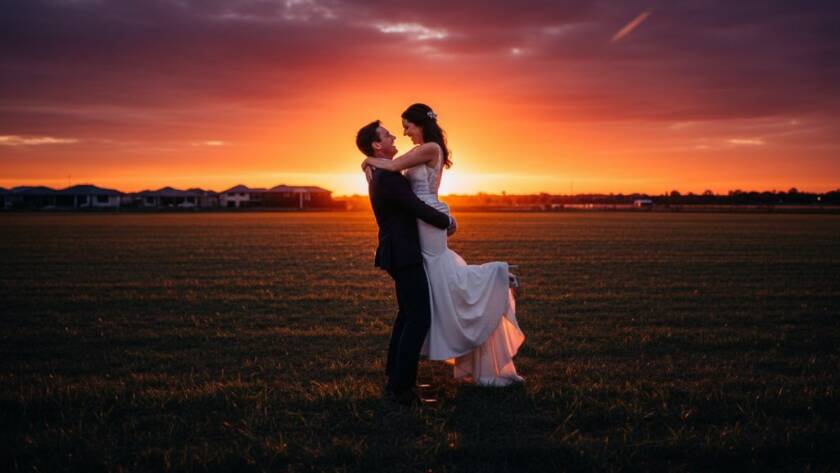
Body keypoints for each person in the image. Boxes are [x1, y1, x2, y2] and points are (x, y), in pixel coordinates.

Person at [362, 103, 524, 386]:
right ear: (377, 144)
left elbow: (393, 166)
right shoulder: (404, 162)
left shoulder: (429, 148)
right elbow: (394, 171)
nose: (402, 133)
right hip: (423, 225)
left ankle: (496, 277)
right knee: (436, 282)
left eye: (407, 126)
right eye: (394, 131)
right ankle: (399, 381)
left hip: (428, 221)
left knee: (441, 274)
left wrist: (367, 161)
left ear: (420, 124)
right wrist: (368, 159)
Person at [356, 119, 456, 405]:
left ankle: (396, 378)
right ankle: (402, 389)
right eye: (387, 135)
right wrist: (446, 221)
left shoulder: (382, 172)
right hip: (403, 253)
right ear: (378, 145)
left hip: (398, 251)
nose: (393, 137)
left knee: (406, 316)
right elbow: (415, 207)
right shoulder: (387, 177)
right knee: (418, 317)